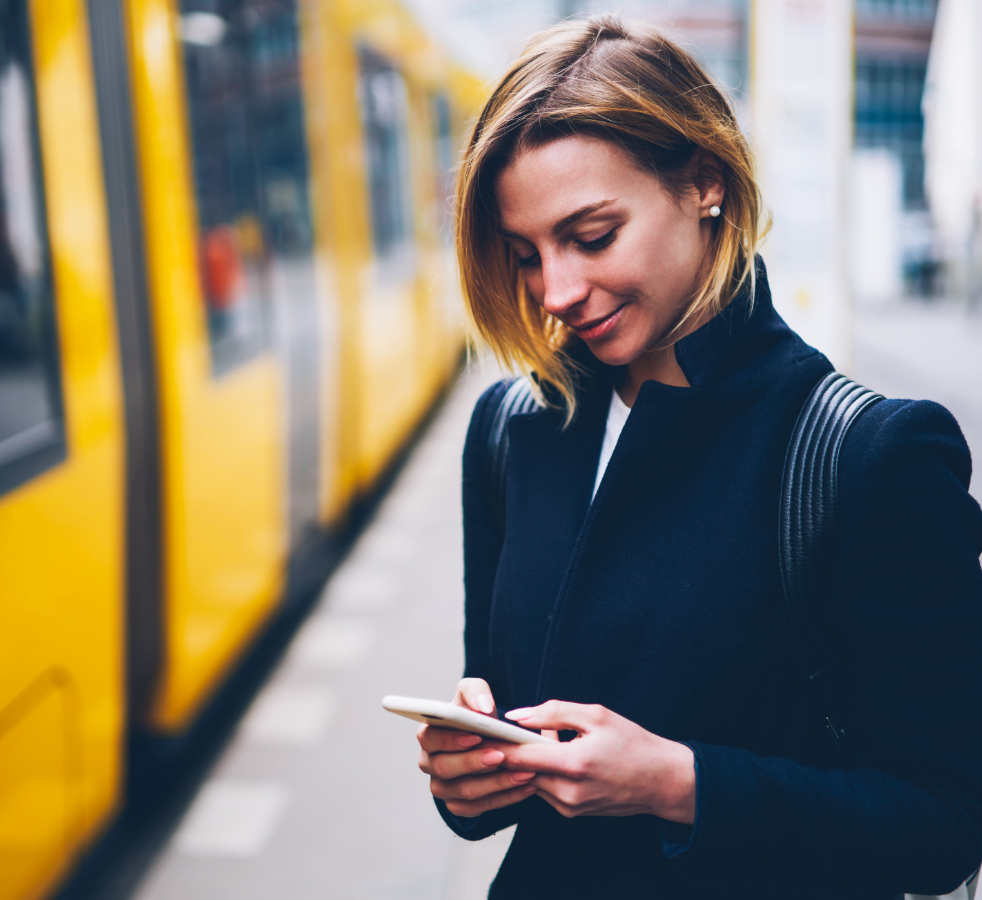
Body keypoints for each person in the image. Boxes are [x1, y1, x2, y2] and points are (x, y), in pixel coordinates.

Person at [414, 16, 982, 900]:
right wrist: (471, 781)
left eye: (593, 236)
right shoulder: (512, 429)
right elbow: (502, 750)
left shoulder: (864, 454)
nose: (555, 293)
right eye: (525, 255)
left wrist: (680, 785)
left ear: (704, 183)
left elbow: (944, 823)